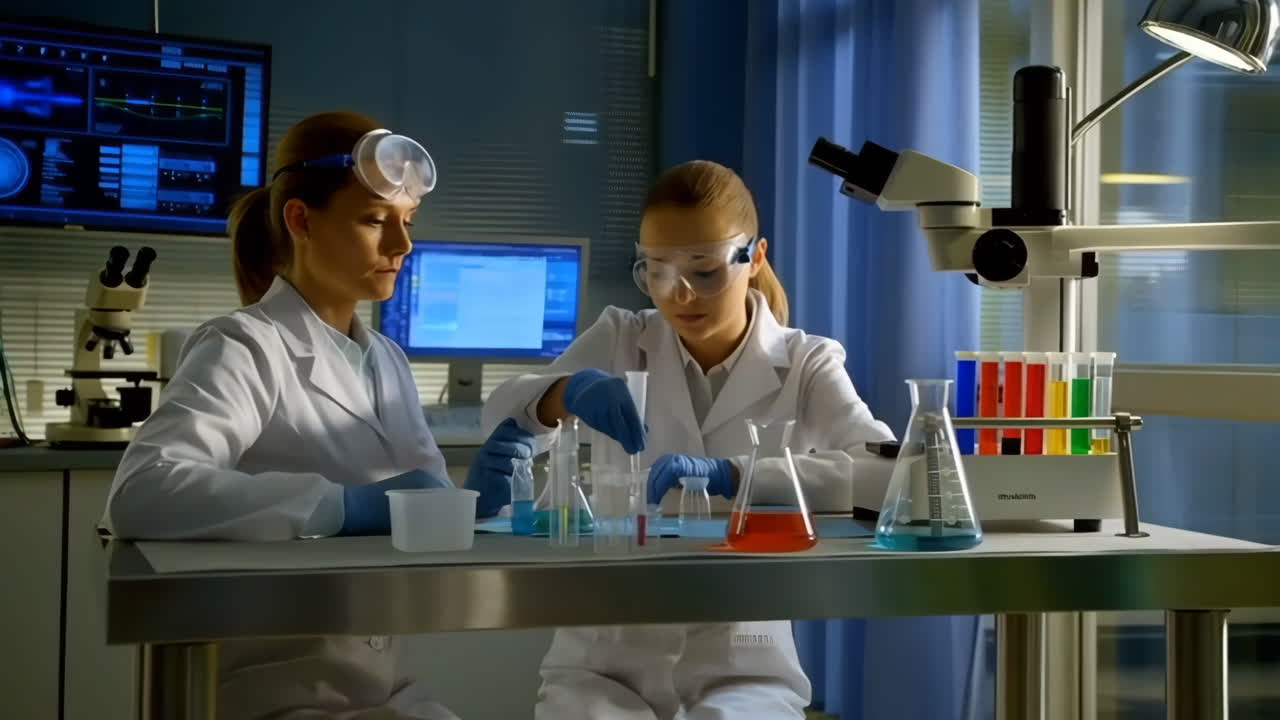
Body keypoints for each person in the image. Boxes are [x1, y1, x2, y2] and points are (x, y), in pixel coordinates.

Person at [469, 160, 894, 719]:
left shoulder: (805, 363)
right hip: (604, 656)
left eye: (704, 270)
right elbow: (500, 415)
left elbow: (887, 477)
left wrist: (739, 477)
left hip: (744, 660)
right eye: (658, 271)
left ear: (754, 257)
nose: (681, 293)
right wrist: (564, 392)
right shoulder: (623, 335)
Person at [103, 111, 482, 720]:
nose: (403, 245)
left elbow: (424, 500)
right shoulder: (244, 344)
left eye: (407, 223)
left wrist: (496, 486)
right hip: (276, 693)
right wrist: (341, 508)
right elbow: (143, 492)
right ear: (301, 220)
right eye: (374, 221)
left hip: (389, 690)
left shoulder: (384, 359)